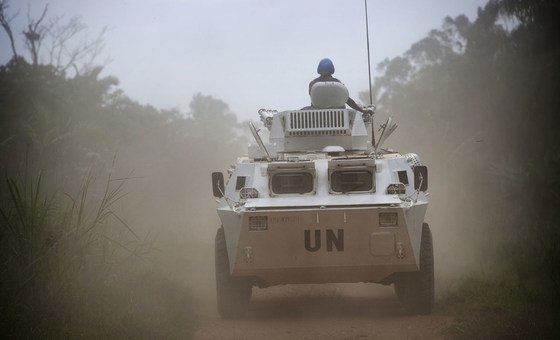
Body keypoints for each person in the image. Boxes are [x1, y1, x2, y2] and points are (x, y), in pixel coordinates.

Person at [308, 58, 374, 116]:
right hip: (338, 118)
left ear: (318, 69)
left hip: (318, 118)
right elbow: (347, 100)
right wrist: (362, 111)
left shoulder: (313, 84)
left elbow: (313, 101)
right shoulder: (337, 84)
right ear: (332, 69)